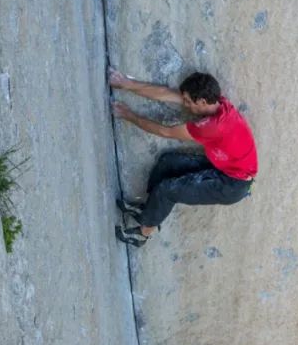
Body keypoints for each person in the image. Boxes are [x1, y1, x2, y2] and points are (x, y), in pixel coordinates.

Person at [108, 67, 258, 247]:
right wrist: (126, 84)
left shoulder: (212, 126)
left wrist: (128, 115)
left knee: (167, 190)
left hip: (232, 186)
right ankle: (149, 210)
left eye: (188, 102)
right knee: (167, 162)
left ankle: (143, 233)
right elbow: (167, 94)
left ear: (202, 101)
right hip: (225, 168)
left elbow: (166, 131)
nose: (185, 105)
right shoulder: (218, 103)